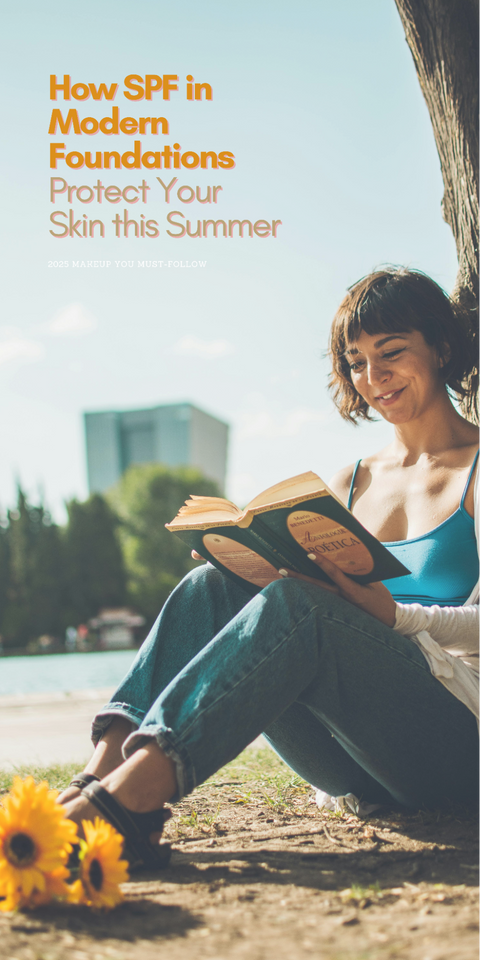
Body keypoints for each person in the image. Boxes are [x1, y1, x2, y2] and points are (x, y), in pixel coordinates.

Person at [60, 267, 480, 869]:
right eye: (356, 361)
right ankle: (97, 775)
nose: (373, 376)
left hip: (456, 744)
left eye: (391, 352)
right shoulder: (349, 484)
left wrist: (396, 616)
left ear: (440, 347)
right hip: (356, 764)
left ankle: (125, 807)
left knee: (299, 609)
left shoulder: (477, 467)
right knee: (215, 583)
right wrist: (246, 563)